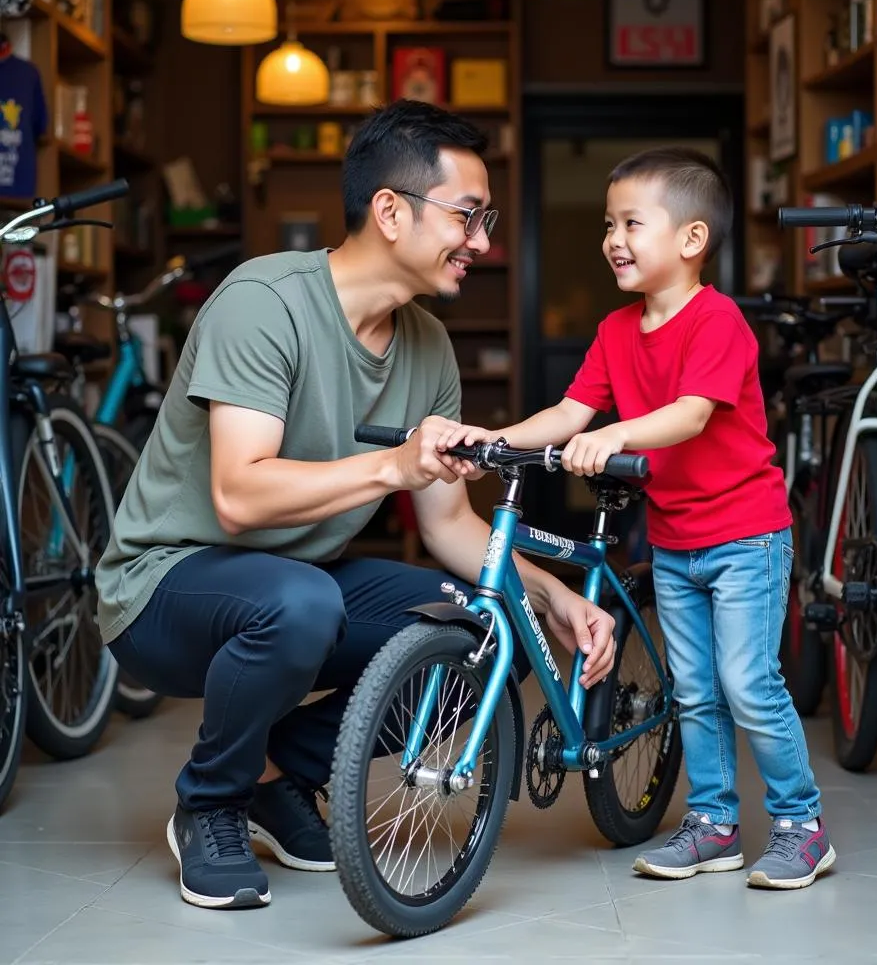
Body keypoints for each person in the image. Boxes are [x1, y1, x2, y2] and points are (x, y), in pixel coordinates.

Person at [94, 99, 616, 911]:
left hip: (295, 585)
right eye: (468, 216)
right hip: (163, 586)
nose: (482, 240)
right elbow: (238, 496)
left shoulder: (428, 345)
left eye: (488, 219)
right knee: (297, 604)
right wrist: (389, 466)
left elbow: (451, 525)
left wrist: (550, 596)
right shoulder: (263, 302)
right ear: (390, 212)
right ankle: (211, 802)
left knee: (487, 625)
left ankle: (278, 776)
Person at [440, 146, 836, 891]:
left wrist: (618, 434)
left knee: (746, 680)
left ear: (690, 240)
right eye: (607, 224)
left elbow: (690, 415)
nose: (612, 238)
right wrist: (491, 440)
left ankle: (800, 824)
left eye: (631, 222)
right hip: (676, 541)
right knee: (690, 687)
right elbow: (569, 412)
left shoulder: (717, 322)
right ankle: (714, 824)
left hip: (746, 535)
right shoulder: (618, 330)